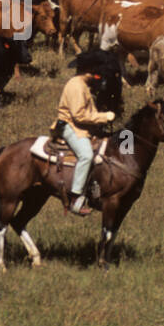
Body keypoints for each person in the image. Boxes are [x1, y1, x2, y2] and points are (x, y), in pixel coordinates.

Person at [54, 70, 115, 216]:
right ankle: (75, 199)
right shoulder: (76, 86)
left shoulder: (83, 84)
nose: (97, 77)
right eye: (96, 74)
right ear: (87, 72)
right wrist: (104, 117)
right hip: (70, 127)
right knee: (86, 155)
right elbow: (79, 115)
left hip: (82, 127)